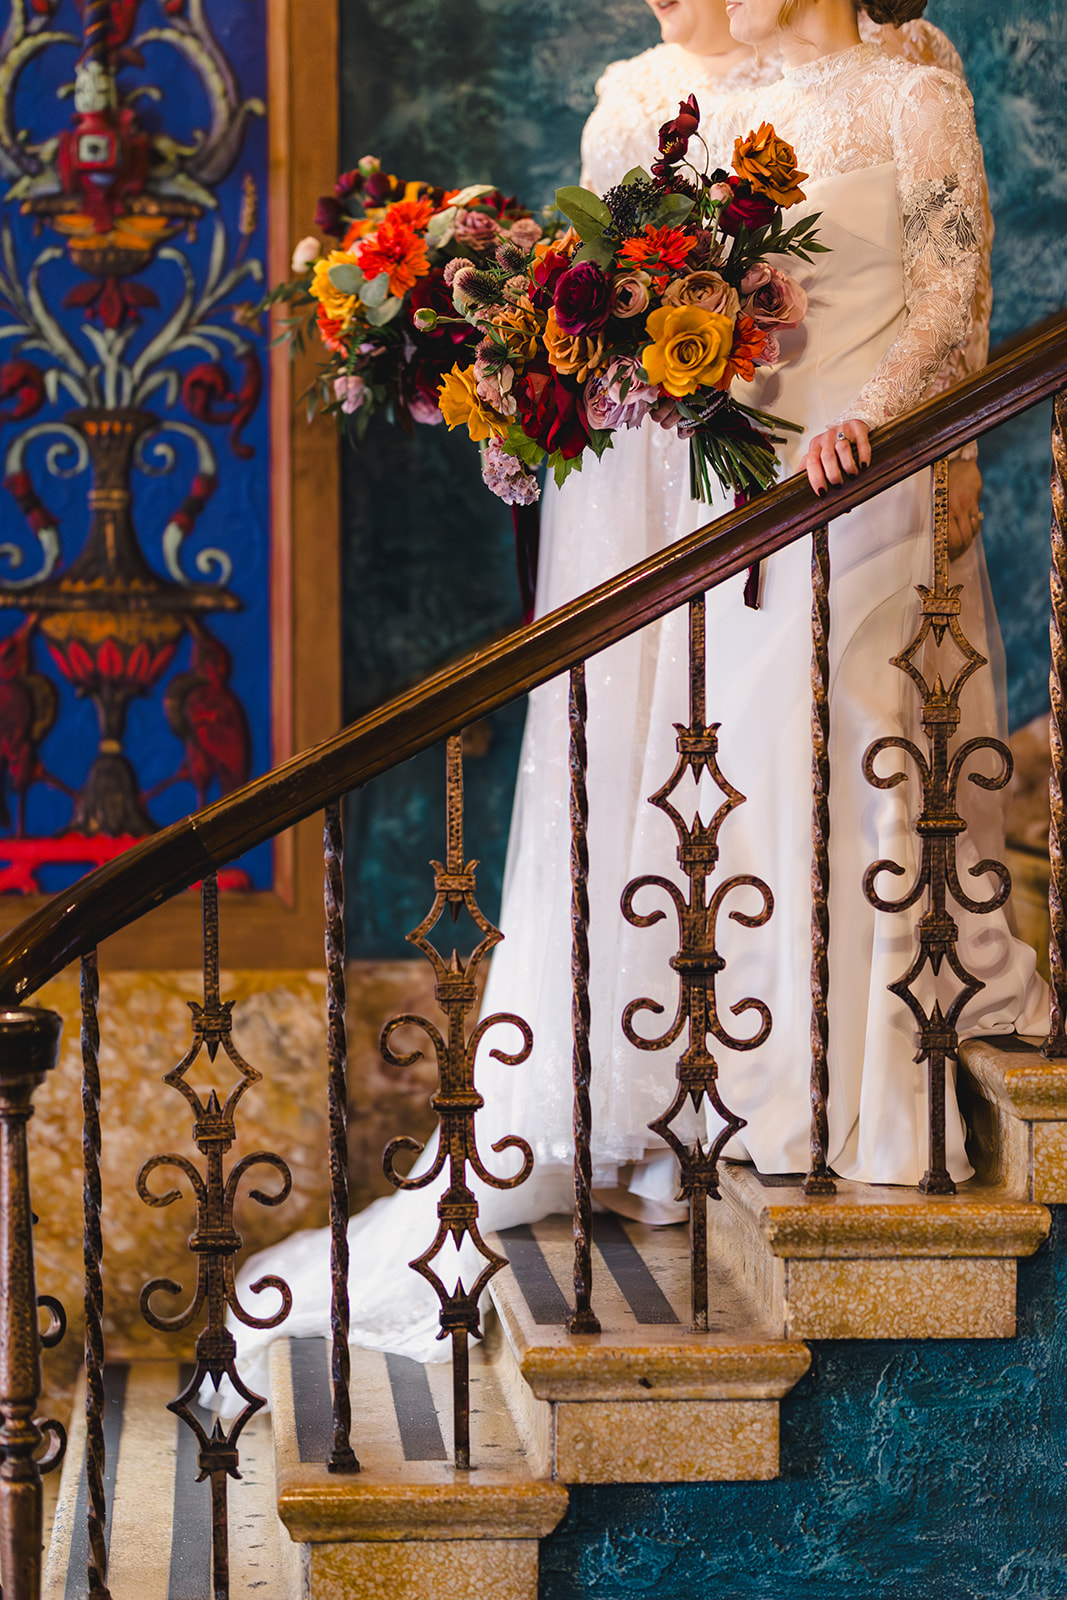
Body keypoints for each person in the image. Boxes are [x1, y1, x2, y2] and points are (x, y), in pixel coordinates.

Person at [221, 0, 1043, 1404]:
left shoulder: (914, 87)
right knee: (710, 761)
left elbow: (954, 304)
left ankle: (843, 1092)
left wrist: (874, 417)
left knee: (838, 740)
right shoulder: (641, 97)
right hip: (707, 496)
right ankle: (707, 1083)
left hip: (868, 475)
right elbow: (610, 341)